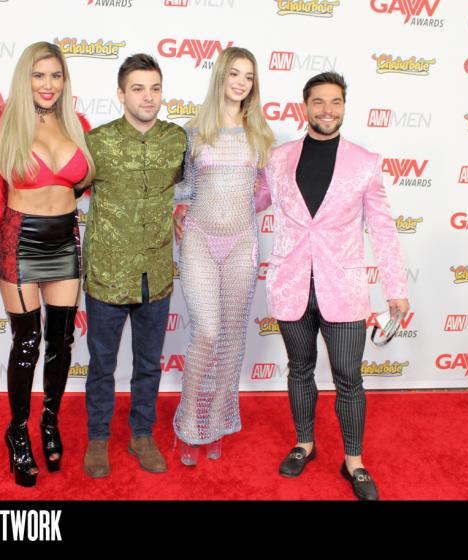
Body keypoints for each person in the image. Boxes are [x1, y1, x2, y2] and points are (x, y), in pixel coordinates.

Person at [255, 72, 409, 500]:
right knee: (299, 369)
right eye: (319, 101)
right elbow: (253, 200)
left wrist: (395, 287)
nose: (327, 110)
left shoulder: (365, 162)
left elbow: (383, 229)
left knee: (348, 377)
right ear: (304, 106)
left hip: (343, 289)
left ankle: (354, 461)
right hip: (290, 285)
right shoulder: (278, 158)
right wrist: (200, 203)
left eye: (335, 102)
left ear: (344, 106)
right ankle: (304, 443)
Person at [0, 42, 95, 487]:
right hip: (20, 241)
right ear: (24, 78)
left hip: (66, 240)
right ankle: (17, 432)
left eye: (55, 75)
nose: (48, 85)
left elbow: (100, 184)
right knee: (28, 341)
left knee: (62, 341)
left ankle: (49, 421)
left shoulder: (77, 125)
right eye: (39, 75)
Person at [81, 54, 186, 478]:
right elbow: (66, 189)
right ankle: (97, 438)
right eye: (138, 88)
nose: (148, 97)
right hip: (107, 274)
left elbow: (195, 186)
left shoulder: (177, 140)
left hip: (155, 274)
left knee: (148, 364)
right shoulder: (97, 142)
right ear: (121, 94)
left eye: (155, 88)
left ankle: (142, 435)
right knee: (101, 365)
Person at [171, 47, 275, 466]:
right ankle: (187, 420)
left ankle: (216, 420)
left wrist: (256, 195)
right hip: (199, 239)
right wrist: (178, 212)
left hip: (241, 243)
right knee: (208, 332)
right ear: (220, 77)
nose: (241, 83)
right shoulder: (193, 132)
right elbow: (180, 188)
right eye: (234, 74)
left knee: (232, 337)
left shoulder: (260, 134)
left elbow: (267, 192)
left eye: (248, 77)